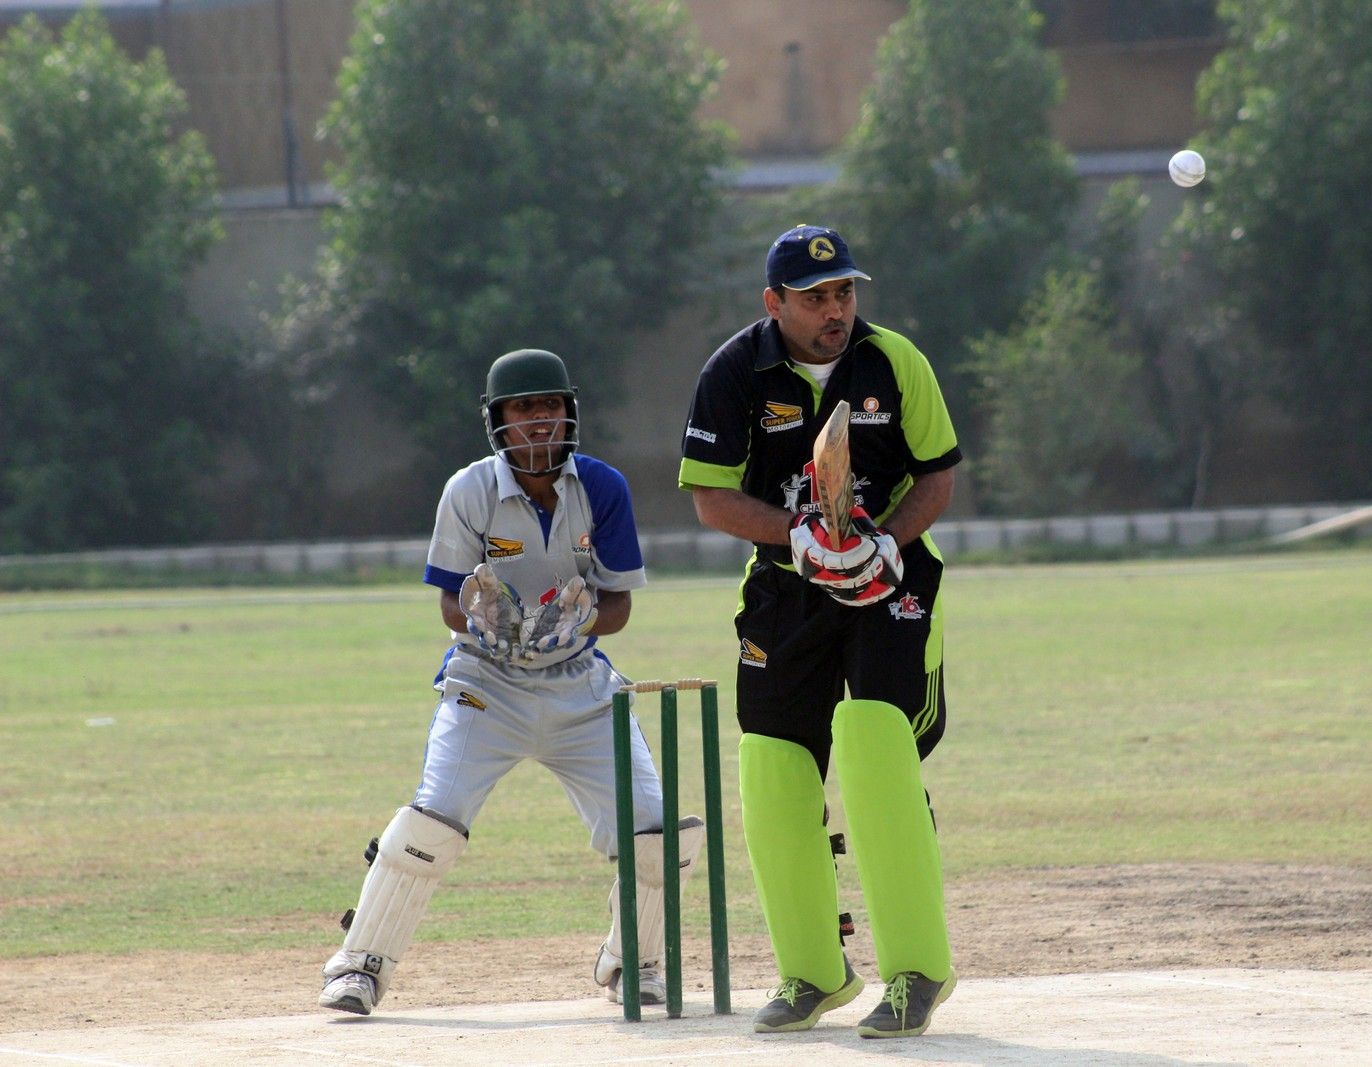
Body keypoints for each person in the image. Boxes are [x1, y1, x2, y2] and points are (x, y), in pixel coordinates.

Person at [320, 348, 703, 1016]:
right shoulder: (469, 491)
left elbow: (618, 604)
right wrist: (488, 622)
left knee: (655, 831)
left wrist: (579, 625)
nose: (539, 419)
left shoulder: (602, 486)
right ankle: (359, 966)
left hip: (579, 686)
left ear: (570, 412)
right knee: (433, 819)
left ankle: (635, 960)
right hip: (485, 684)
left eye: (551, 405)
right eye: (524, 408)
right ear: (499, 420)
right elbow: (450, 599)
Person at [677, 225, 960, 1038]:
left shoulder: (894, 360)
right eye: (815, 298)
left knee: (873, 746)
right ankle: (813, 970)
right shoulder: (734, 371)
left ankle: (916, 970)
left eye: (844, 293)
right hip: (784, 587)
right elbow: (710, 497)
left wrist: (885, 541)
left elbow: (938, 474)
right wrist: (795, 537)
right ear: (775, 303)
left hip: (890, 579)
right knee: (771, 765)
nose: (835, 310)